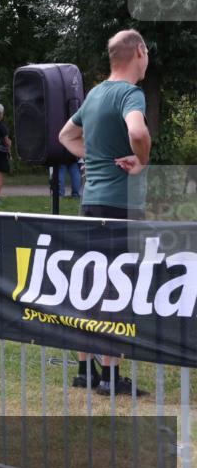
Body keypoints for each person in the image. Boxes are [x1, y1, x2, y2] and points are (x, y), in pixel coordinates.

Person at [58, 28, 150, 396]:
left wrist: (93, 158)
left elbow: (64, 135)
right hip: (121, 205)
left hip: (91, 203)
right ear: (139, 52)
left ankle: (84, 369)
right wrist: (142, 159)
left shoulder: (95, 94)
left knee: (91, 287)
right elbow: (138, 133)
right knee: (118, 289)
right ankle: (111, 376)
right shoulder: (130, 94)